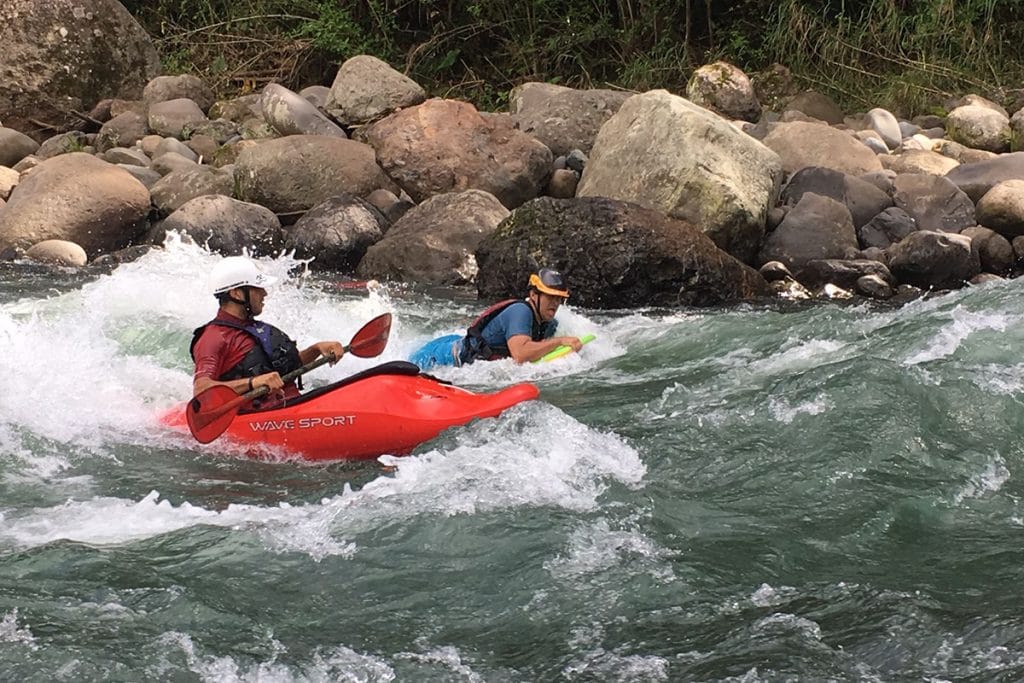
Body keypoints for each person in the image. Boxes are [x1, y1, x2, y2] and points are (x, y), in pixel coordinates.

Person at [190, 256, 344, 404]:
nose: (265, 293)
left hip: (291, 405)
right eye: (258, 288)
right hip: (257, 418)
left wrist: (316, 349)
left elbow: (282, 370)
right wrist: (253, 383)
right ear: (236, 293)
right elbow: (201, 389)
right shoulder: (214, 337)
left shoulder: (254, 328)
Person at [410, 267, 583, 369]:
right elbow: (521, 354)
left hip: (460, 344)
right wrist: (560, 342)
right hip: (442, 357)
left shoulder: (549, 324)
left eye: (559, 299)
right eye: (550, 297)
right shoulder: (520, 312)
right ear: (533, 295)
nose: (555, 303)